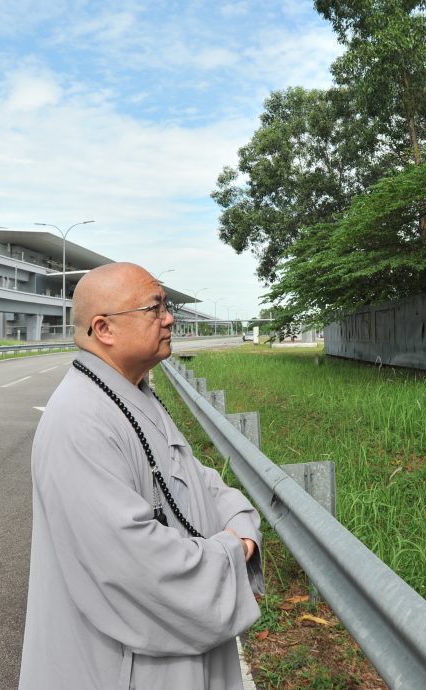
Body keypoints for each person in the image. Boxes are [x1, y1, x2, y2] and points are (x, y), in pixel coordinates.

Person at [19, 262, 263, 690]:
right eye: (155, 308)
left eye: (166, 306)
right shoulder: (80, 420)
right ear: (105, 329)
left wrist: (240, 520)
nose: (169, 318)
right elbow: (136, 568)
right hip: (122, 669)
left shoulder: (129, 391)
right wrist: (231, 549)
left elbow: (192, 477)